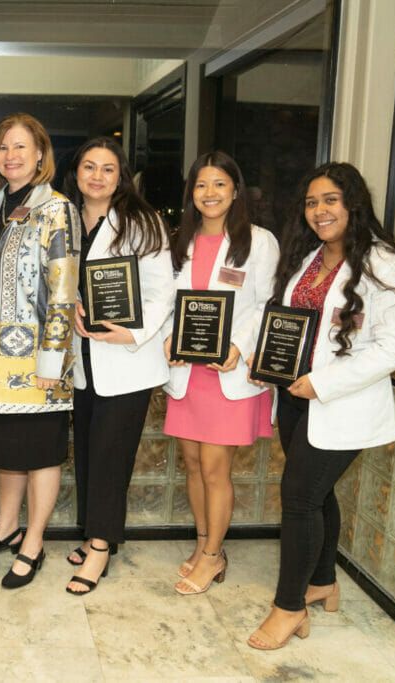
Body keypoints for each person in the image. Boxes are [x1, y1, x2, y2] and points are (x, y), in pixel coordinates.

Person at [248, 162, 395, 649]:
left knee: (299, 498)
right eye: (311, 202)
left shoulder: (387, 266)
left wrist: (322, 383)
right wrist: (269, 352)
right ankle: (322, 580)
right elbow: (293, 324)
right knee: (318, 494)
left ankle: (290, 607)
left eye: (330, 200)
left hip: (340, 401)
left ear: (353, 204)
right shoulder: (310, 257)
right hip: (294, 396)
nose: (320, 211)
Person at [0, 113, 80, 589]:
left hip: (37, 357)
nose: (11, 156)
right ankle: (6, 528)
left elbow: (64, 288)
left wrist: (53, 359)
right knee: (8, 449)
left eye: (21, 147)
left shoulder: (57, 208)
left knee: (41, 452)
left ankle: (33, 543)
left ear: (40, 155)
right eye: (3, 148)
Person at [163, 151, 278, 595]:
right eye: (201, 185)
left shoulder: (259, 242)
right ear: (191, 193)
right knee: (192, 465)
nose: (209, 194)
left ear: (236, 190)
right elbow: (171, 302)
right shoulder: (180, 241)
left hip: (229, 373)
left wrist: (239, 346)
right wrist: (170, 338)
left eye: (219, 185)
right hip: (189, 373)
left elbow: (269, 302)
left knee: (215, 469)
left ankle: (213, 556)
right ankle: (202, 545)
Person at [62, 136, 174, 594]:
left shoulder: (142, 221)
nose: (97, 176)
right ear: (77, 173)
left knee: (111, 455)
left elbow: (163, 289)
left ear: (121, 176)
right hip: (82, 357)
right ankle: (94, 531)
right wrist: (68, 307)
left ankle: (101, 548)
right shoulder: (65, 217)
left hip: (127, 358)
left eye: (108, 169)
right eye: (89, 167)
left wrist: (133, 332)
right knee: (88, 449)